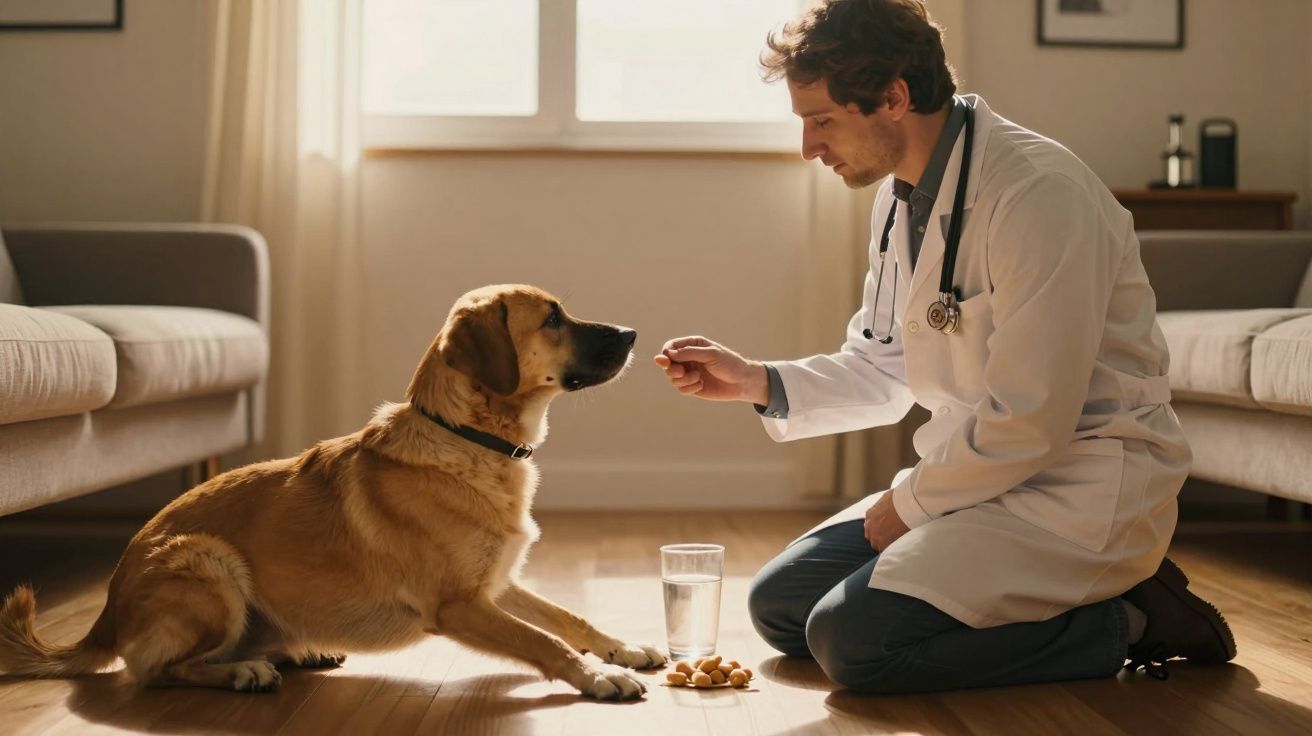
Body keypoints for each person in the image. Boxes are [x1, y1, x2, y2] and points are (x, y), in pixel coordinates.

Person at [653, 0, 1235, 694]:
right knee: (781, 607)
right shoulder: (901, 197)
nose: (809, 147)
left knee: (853, 644)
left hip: (1077, 486)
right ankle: (1029, 600)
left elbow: (1032, 418)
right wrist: (756, 381)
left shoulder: (1038, 194)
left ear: (894, 98)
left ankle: (1131, 619)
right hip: (976, 475)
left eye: (822, 121)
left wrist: (910, 505)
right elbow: (883, 363)